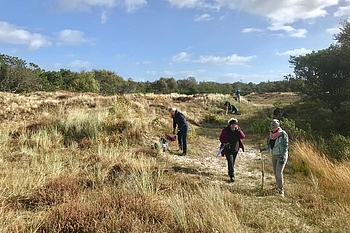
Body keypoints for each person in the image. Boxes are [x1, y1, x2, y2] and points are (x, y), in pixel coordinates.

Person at [261, 119, 289, 197]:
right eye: (271, 127)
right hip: (274, 155)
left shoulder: (282, 134)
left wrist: (282, 156)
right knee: (275, 173)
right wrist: (265, 148)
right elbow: (270, 145)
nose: (272, 128)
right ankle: (278, 187)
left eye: (274, 127)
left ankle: (281, 191)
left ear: (278, 127)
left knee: (278, 173)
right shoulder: (271, 135)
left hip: (281, 155)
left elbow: (285, 146)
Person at [219, 118, 245, 182]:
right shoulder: (225, 130)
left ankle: (230, 171)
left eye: (235, 124)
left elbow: (243, 136)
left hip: (235, 149)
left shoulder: (238, 130)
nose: (234, 126)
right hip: (228, 149)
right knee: (230, 162)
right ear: (230, 124)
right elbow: (221, 138)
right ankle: (232, 176)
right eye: (232, 124)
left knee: (232, 162)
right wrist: (224, 143)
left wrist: (238, 130)